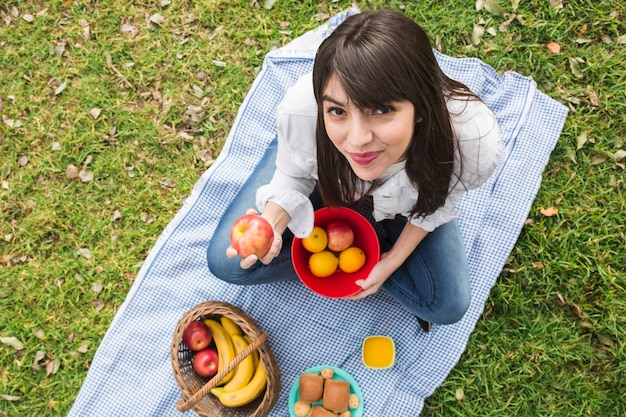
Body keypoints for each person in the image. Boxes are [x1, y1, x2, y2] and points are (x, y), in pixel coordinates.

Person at [207, 10, 501, 329]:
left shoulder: (469, 141)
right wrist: (273, 224)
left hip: (411, 201)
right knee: (227, 263)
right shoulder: (304, 112)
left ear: (421, 107)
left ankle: (371, 237)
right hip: (322, 173)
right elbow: (294, 174)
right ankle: (340, 221)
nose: (358, 140)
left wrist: (391, 261)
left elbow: (437, 203)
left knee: (447, 306)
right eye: (337, 111)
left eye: (382, 110)